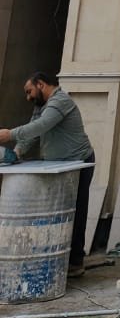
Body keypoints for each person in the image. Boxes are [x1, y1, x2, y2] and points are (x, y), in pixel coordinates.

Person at [0, 72, 95, 275]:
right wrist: (16, 152)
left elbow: (41, 126)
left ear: (41, 84)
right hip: (59, 164)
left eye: (29, 91)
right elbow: (32, 133)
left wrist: (10, 134)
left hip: (78, 162)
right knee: (58, 211)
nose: (28, 97)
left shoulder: (60, 101)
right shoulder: (41, 106)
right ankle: (57, 258)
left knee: (76, 211)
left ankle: (75, 262)